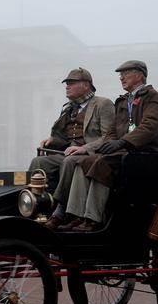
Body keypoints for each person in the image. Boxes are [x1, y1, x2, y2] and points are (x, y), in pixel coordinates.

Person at [60, 60, 158, 232]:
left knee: (101, 164)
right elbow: (112, 130)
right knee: (83, 163)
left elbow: (149, 128)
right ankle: (76, 215)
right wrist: (109, 144)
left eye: (125, 74)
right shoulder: (122, 101)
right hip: (123, 153)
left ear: (139, 75)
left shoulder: (154, 98)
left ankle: (92, 218)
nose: (121, 78)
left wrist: (122, 142)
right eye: (121, 75)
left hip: (145, 155)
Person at [28, 68, 114, 229]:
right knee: (39, 162)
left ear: (86, 85)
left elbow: (109, 136)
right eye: (67, 84)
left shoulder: (103, 104)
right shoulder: (68, 108)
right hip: (68, 152)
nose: (67, 87)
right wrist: (52, 140)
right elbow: (65, 138)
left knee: (69, 162)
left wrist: (85, 148)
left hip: (91, 155)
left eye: (71, 83)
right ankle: (34, 207)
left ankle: (59, 212)